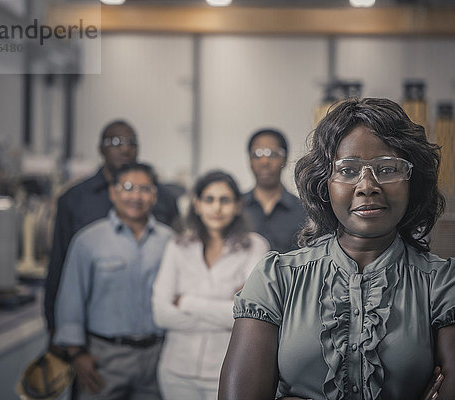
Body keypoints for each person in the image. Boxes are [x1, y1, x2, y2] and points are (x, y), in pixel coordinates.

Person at [219, 98, 455, 400]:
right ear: (325, 184)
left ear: (413, 182)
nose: (367, 186)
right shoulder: (276, 279)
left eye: (387, 169)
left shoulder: (449, 284)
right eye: (348, 171)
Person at [44, 120, 180, 333]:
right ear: (101, 149)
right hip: (100, 328)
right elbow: (59, 266)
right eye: (115, 142)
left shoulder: (165, 199)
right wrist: (57, 329)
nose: (124, 148)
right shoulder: (74, 200)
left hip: (155, 328)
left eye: (130, 142)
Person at [54, 162, 172, 399]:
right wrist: (76, 354)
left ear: (154, 195)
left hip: (158, 357)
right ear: (113, 192)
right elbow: (71, 299)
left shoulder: (171, 242)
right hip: (103, 358)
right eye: (128, 188)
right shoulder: (88, 240)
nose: (136, 196)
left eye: (144, 189)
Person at [152, 170, 269, 400]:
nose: (216, 208)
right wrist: (227, 310)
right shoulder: (177, 246)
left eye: (224, 200)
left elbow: (250, 315)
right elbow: (161, 314)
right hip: (176, 372)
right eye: (209, 199)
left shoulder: (255, 247)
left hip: (229, 371)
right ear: (197, 204)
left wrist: (186, 301)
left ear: (237, 206)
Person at [242, 128, 306, 253]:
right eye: (258, 154)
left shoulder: (304, 211)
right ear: (249, 160)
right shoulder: (235, 208)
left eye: (273, 154)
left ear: (285, 159)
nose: (265, 161)